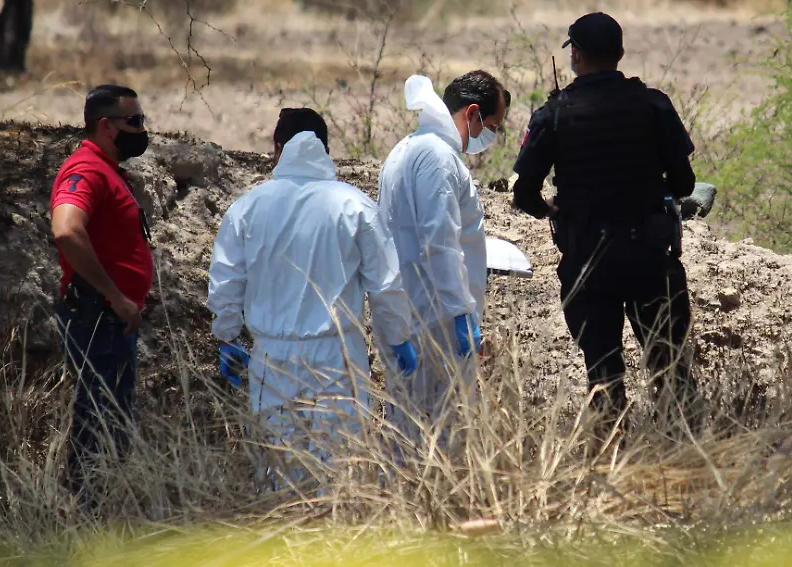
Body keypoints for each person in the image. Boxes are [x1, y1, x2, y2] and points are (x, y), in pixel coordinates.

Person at [206, 108, 419, 487]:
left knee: (275, 467)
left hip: (270, 359)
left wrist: (227, 336)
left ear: (277, 148)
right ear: (326, 149)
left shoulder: (247, 208)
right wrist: (398, 338)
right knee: (338, 466)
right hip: (336, 358)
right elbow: (386, 285)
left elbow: (225, 282)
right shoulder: (353, 205)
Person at [511, 12, 699, 436]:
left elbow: (525, 194)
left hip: (588, 262)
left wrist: (551, 210)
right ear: (621, 54)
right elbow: (685, 182)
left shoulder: (554, 114)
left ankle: (610, 458)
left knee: (603, 375)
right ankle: (684, 456)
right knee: (670, 368)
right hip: (650, 257)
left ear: (574, 54)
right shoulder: (654, 105)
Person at [377, 71, 508, 447]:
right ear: (472, 115)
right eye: (493, 126)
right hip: (436, 318)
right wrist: (461, 314)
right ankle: (436, 505)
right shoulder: (438, 158)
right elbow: (441, 242)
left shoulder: (408, 148)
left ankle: (403, 504)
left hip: (407, 311)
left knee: (406, 426)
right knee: (442, 432)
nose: (490, 137)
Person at [49, 83, 154, 496]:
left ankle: (98, 510)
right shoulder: (86, 170)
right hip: (99, 316)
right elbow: (66, 230)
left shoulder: (108, 171)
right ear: (107, 126)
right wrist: (115, 295)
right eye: (135, 121)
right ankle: (84, 516)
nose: (142, 130)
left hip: (111, 317)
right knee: (99, 422)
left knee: (111, 421)